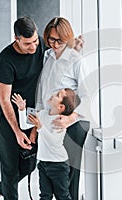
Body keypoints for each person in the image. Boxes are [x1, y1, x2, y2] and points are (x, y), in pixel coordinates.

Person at [0, 16, 84, 199]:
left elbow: (62, 51)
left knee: (30, 164)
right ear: (16, 39)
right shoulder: (5, 60)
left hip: (39, 116)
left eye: (35, 41)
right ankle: (7, 193)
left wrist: (74, 47)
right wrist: (18, 131)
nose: (34, 47)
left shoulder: (43, 46)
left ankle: (0, 189)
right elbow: (5, 100)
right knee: (10, 166)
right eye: (27, 44)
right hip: (9, 114)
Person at [35, 17, 90, 200]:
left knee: (68, 178)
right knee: (52, 176)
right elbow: (43, 91)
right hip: (51, 121)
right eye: (51, 39)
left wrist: (70, 118)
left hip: (72, 124)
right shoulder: (47, 56)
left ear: (67, 38)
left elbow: (87, 96)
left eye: (59, 40)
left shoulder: (76, 60)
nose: (55, 44)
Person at [12, 88, 79, 200]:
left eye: (58, 95)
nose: (53, 94)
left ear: (61, 107)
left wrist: (40, 127)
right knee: (45, 196)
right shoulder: (42, 114)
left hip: (59, 165)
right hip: (43, 163)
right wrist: (22, 109)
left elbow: (54, 142)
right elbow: (24, 126)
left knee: (62, 196)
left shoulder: (60, 120)